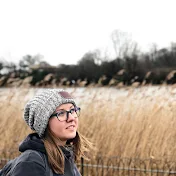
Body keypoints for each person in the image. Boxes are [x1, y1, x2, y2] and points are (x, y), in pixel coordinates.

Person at [10, 89, 91, 176]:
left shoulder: (66, 155)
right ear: (44, 123)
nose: (71, 118)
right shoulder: (31, 162)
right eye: (61, 113)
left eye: (72, 110)